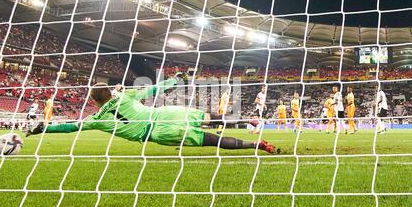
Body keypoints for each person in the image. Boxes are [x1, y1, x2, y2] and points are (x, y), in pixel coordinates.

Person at [27, 73, 279, 153]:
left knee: (210, 140)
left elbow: (71, 127)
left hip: (157, 131)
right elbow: (153, 88)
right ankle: (249, 119)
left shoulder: (96, 119)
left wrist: (43, 128)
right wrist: (174, 79)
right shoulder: (124, 95)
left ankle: (255, 144)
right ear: (110, 93)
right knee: (208, 117)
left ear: (93, 100)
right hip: (163, 114)